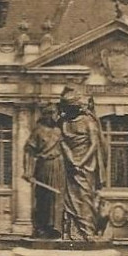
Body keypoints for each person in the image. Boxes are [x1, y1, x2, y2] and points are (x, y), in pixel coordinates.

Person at [58, 86, 108, 242]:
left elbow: (94, 144)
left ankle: (87, 231)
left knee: (85, 198)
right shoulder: (63, 123)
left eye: (70, 108)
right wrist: (71, 159)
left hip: (86, 166)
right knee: (70, 200)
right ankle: (72, 232)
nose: (67, 111)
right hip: (69, 166)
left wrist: (81, 161)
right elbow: (62, 142)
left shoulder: (88, 122)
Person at [23, 103, 66, 239]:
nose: (54, 116)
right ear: (46, 115)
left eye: (55, 113)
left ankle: (57, 227)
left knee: (58, 198)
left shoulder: (61, 130)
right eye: (51, 113)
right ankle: (42, 227)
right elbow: (28, 151)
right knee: (43, 197)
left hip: (59, 166)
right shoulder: (38, 130)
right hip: (44, 166)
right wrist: (28, 171)